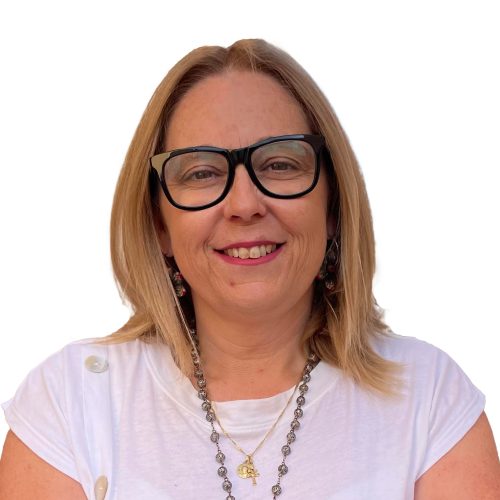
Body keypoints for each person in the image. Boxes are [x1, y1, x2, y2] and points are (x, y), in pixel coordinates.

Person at [0, 39, 499, 500]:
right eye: (201, 172)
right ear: (158, 224)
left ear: (332, 206)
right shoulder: (70, 404)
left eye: (280, 164)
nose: (244, 204)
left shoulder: (429, 397)